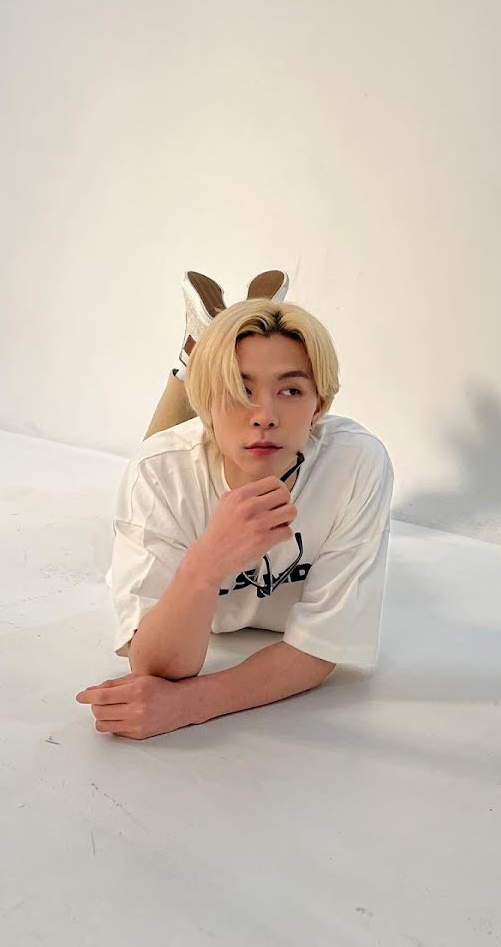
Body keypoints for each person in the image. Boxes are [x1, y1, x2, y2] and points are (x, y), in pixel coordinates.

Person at [75, 269, 395, 740]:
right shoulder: (159, 472)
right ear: (206, 402)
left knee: (194, 448)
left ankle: (211, 345)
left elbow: (321, 648)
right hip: (185, 452)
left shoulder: (356, 464)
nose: (265, 416)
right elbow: (155, 665)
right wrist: (205, 563)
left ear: (320, 405)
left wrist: (189, 705)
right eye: (239, 389)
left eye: (291, 390)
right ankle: (197, 354)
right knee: (160, 453)